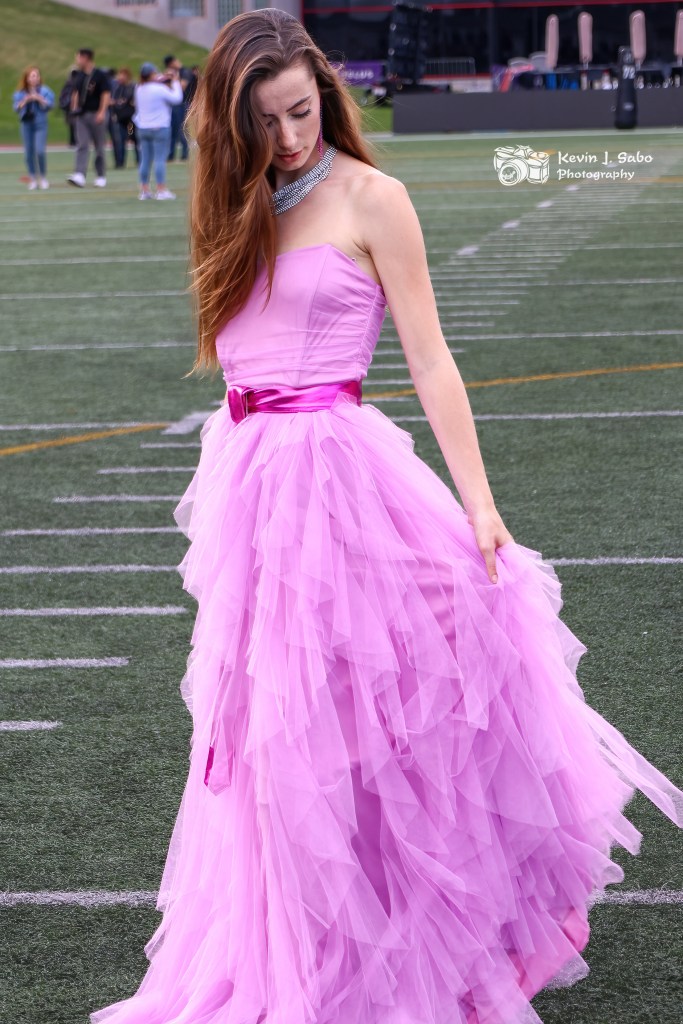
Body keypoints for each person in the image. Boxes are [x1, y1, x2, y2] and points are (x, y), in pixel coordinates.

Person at [90, 10, 683, 1024]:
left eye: (302, 110)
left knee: (391, 711)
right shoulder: (232, 202)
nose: (290, 136)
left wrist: (480, 505)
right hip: (250, 488)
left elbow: (430, 357)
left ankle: (433, 933)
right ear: (232, 123)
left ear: (325, 93)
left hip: (342, 477)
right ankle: (302, 951)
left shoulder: (374, 197)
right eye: (266, 120)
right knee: (276, 738)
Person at [132, 62, 183, 200]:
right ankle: (161, 190)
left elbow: (155, 79)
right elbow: (177, 98)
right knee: (159, 159)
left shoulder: (138, 88)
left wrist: (164, 76)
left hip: (143, 128)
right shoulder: (159, 89)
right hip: (160, 127)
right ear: (151, 74)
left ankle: (144, 190)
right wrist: (175, 81)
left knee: (145, 160)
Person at [67, 47, 110, 188]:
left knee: (99, 147)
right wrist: (74, 109)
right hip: (82, 115)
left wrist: (102, 112)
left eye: (78, 57)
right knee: (82, 144)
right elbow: (76, 92)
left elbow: (105, 94)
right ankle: (79, 174)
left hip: (96, 114)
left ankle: (100, 175)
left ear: (85, 58)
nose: (77, 60)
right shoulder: (79, 75)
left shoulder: (100, 75)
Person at [12, 66, 54, 191]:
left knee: (40, 151)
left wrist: (39, 99)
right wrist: (25, 100)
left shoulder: (45, 90)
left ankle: (43, 177)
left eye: (37, 76)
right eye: (32, 76)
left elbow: (50, 105)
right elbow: (16, 108)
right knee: (28, 153)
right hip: (26, 124)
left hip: (40, 124)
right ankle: (33, 178)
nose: (35, 78)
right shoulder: (20, 92)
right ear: (27, 78)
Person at [163, 54, 191, 160]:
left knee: (181, 129)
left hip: (182, 104)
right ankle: (170, 153)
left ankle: (185, 153)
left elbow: (182, 87)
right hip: (172, 104)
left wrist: (173, 80)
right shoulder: (173, 73)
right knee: (172, 129)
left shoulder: (185, 72)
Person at [110, 67, 138, 168]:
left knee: (135, 138)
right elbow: (112, 101)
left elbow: (133, 101)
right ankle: (120, 162)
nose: (120, 77)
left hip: (131, 119)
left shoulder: (133, 87)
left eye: (122, 75)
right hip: (120, 118)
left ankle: (139, 161)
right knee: (120, 140)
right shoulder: (117, 88)